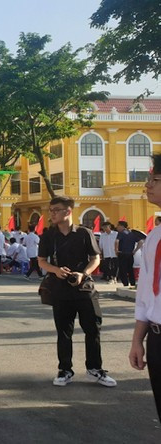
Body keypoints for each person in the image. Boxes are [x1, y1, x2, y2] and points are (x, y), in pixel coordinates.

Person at [37, 196, 115, 388]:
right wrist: (56, 270)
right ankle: (65, 370)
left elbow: (95, 258)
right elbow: (41, 260)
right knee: (64, 332)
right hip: (60, 290)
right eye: (51, 210)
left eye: (56, 210)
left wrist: (83, 273)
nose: (52, 213)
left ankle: (95, 369)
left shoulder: (84, 233)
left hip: (84, 289)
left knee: (93, 329)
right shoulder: (48, 235)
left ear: (68, 211)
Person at [129, 157, 161, 421]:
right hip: (157, 337)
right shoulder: (153, 237)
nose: (148, 186)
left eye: (156, 181)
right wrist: (138, 339)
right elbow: (145, 295)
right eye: (149, 180)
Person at [116, 220, 142, 287]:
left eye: (118, 226)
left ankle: (125, 284)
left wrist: (116, 250)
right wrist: (135, 250)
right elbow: (141, 242)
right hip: (130, 254)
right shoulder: (131, 233)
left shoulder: (121, 233)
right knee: (130, 269)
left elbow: (117, 241)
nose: (117, 227)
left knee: (123, 270)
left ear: (122, 226)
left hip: (122, 253)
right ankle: (132, 283)